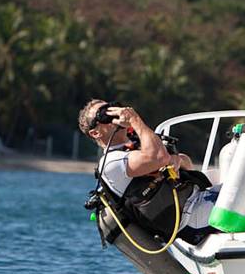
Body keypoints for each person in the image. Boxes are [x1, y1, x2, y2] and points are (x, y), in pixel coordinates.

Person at [78, 99, 216, 243]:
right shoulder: (111, 163)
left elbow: (186, 163)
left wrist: (177, 160)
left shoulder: (138, 144)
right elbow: (159, 158)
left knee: (229, 155)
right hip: (188, 219)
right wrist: (134, 120)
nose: (113, 115)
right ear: (95, 133)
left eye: (112, 108)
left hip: (198, 200)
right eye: (104, 115)